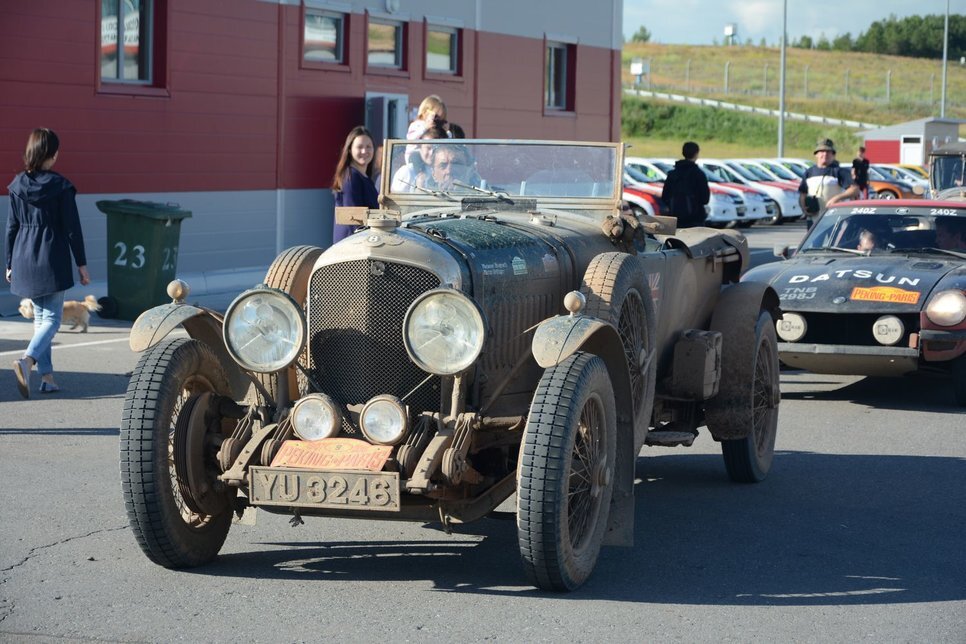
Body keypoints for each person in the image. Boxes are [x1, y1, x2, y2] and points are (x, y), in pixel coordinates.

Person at [5, 128, 90, 398]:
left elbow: (11, 228)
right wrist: (82, 264)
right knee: (52, 320)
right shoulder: (61, 186)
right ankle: (27, 361)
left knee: (41, 320)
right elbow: (72, 229)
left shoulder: (17, 184)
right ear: (52, 155)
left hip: (23, 256)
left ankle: (48, 377)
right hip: (52, 256)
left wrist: (9, 263)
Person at [331, 126, 378, 243]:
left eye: (368, 147)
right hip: (352, 247)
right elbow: (354, 220)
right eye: (359, 147)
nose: (364, 151)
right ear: (350, 150)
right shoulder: (351, 177)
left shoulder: (365, 177)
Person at [799, 137, 859, 230]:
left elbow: (854, 190)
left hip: (835, 219)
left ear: (833, 155)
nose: (825, 154)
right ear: (816, 154)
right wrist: (804, 209)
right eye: (822, 151)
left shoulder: (839, 171)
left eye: (828, 151)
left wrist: (836, 198)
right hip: (814, 220)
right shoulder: (809, 173)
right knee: (813, 245)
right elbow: (802, 194)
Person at [660, 141, 710, 228]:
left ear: (683, 153)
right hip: (695, 220)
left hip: (676, 219)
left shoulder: (672, 174)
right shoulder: (698, 174)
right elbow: (705, 199)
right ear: (696, 154)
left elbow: (665, 196)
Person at [390, 119, 448, 192]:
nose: (431, 153)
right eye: (428, 148)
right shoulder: (407, 172)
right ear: (420, 148)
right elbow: (396, 200)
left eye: (436, 148)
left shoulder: (448, 171)